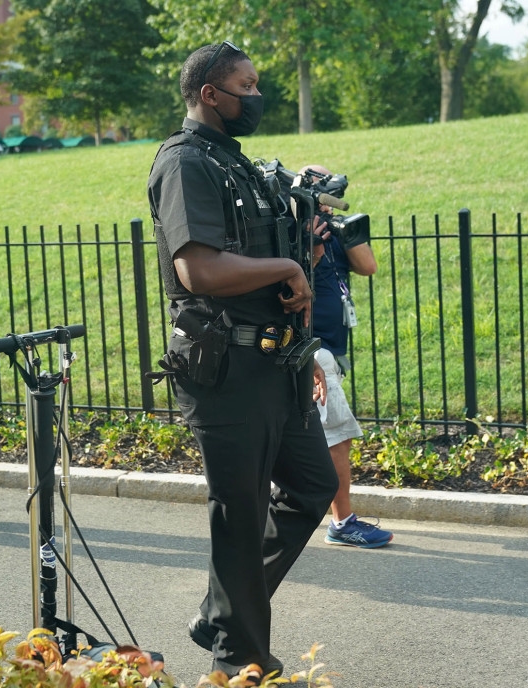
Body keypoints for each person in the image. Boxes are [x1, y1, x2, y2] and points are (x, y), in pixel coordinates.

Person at [147, 42, 338, 678]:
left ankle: (221, 615)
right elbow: (196, 268)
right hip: (226, 367)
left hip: (278, 363)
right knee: (241, 509)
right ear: (210, 94)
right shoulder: (184, 163)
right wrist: (286, 265)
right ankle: (241, 656)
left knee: (313, 486)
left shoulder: (242, 166)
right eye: (246, 86)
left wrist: (302, 340)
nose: (256, 96)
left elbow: (275, 276)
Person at [301, 165, 394, 548]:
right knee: (337, 436)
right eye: (323, 192)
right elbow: (293, 280)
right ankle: (342, 522)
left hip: (331, 349)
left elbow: (368, 267)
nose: (329, 203)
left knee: (315, 435)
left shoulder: (334, 230)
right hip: (311, 347)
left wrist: (343, 232)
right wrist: (312, 245)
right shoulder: (292, 234)